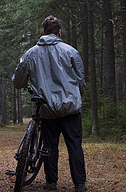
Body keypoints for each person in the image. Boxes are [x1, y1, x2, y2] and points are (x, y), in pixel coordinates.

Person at [12, 15, 88, 192]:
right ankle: (80, 184)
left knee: (49, 146)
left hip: (46, 109)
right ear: (59, 32)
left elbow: (18, 82)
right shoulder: (71, 51)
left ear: (43, 32)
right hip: (70, 109)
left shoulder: (30, 54)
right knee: (75, 146)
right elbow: (80, 81)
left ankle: (51, 182)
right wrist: (77, 98)